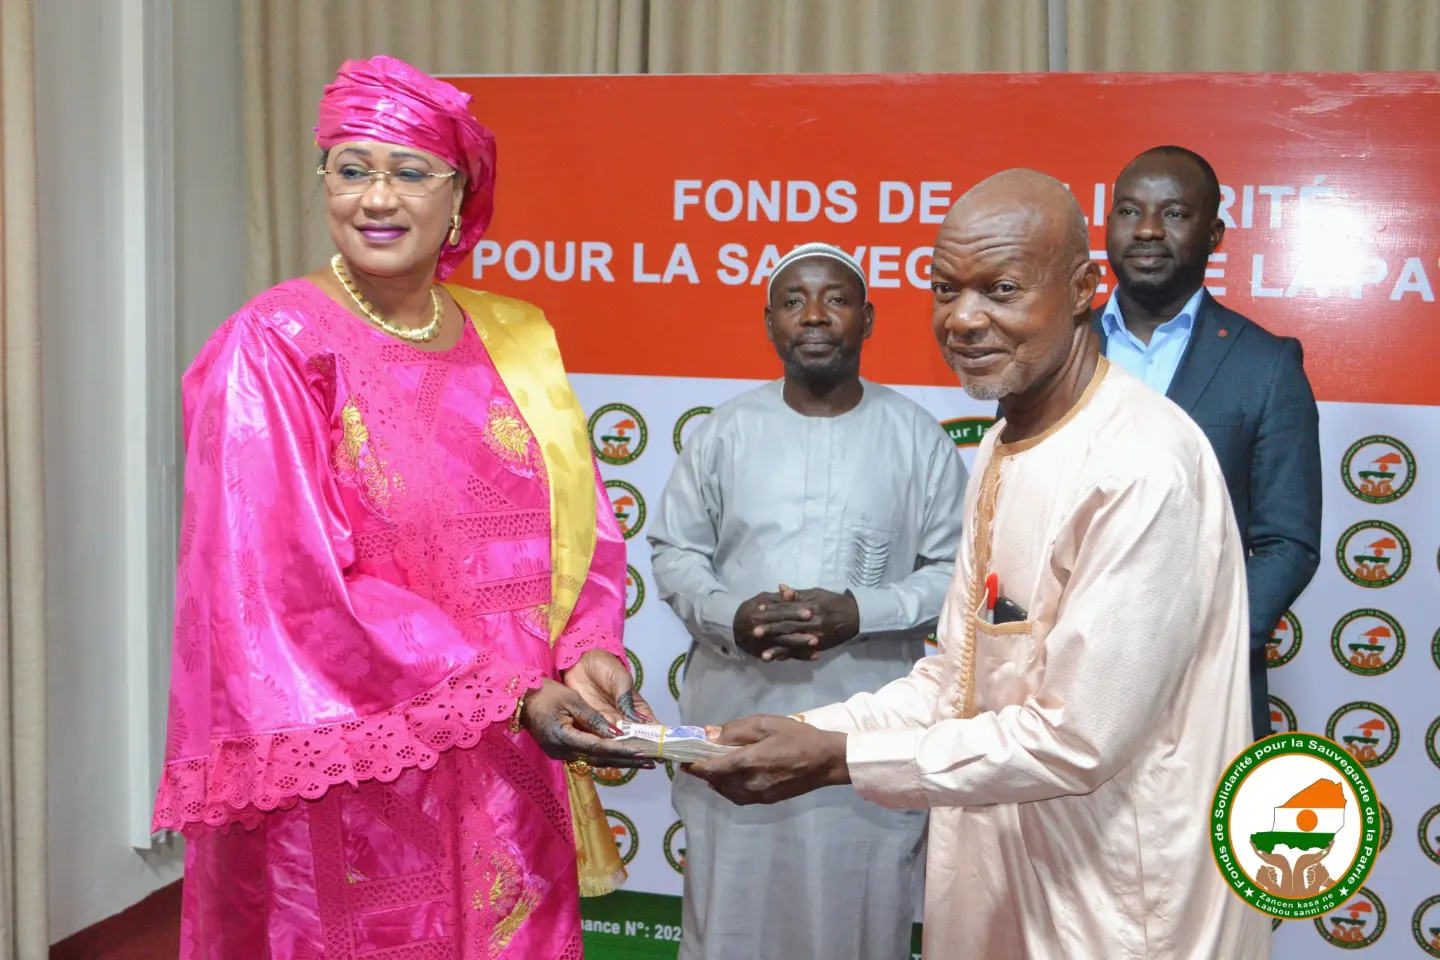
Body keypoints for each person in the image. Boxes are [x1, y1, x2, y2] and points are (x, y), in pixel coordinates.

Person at [687, 171, 1271, 959]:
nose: (963, 320)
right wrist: (805, 728)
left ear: (1082, 290)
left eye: (1001, 289)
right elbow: (957, 678)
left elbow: (1077, 739)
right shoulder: (1003, 442)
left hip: (1117, 900)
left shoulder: (1140, 466)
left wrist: (839, 757)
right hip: (1001, 875)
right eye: (945, 289)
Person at [152, 55, 655, 959]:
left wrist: (589, 655)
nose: (376, 199)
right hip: (350, 774)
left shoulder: (511, 341)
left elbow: (578, 530)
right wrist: (508, 693)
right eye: (351, 170)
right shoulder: (274, 345)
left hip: (512, 761)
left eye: (410, 172)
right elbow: (288, 585)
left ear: (460, 196)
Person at [649, 243, 968, 960]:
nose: (815, 316)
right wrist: (730, 616)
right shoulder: (724, 431)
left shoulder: (917, 438)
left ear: (869, 319)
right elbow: (675, 552)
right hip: (737, 719)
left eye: (836, 299)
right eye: (794, 301)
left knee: (856, 921)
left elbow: (958, 573)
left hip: (866, 734)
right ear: (770, 323)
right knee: (731, 921)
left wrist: (861, 613)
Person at [1102, 145, 1321, 741]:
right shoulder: (1055, 353)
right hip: (1058, 686)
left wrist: (1199, 646)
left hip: (1203, 691)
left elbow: (1288, 543)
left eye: (1173, 213)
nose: (1147, 230)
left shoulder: (1266, 366)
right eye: (1129, 211)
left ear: (1215, 235)